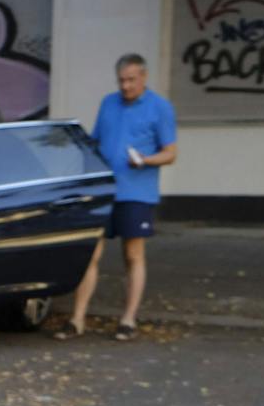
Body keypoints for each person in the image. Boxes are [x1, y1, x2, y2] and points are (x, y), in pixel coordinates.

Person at [58, 53, 178, 341]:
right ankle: (77, 319)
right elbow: (95, 143)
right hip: (104, 190)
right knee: (91, 253)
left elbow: (171, 153)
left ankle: (128, 319)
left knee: (132, 254)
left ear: (144, 78)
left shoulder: (160, 108)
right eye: (122, 80)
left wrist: (146, 161)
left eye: (131, 80)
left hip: (137, 193)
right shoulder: (108, 103)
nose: (125, 86)